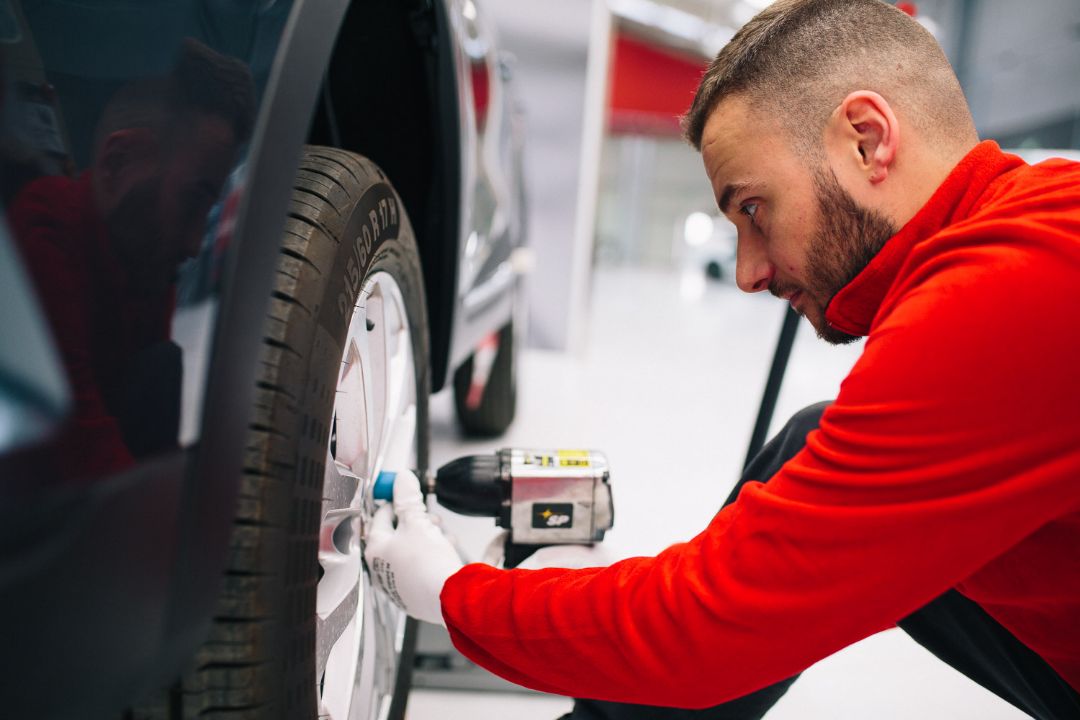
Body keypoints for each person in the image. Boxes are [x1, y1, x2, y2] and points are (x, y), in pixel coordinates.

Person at [362, 0, 1080, 717]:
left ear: (867, 140)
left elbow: (705, 625)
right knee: (809, 443)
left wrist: (454, 595)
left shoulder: (1003, 286)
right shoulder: (1032, 222)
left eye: (755, 210)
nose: (747, 273)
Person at [7, 39, 254, 480]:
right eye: (192, 201)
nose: (195, 243)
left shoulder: (143, 267)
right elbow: (76, 447)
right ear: (118, 163)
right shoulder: (41, 228)